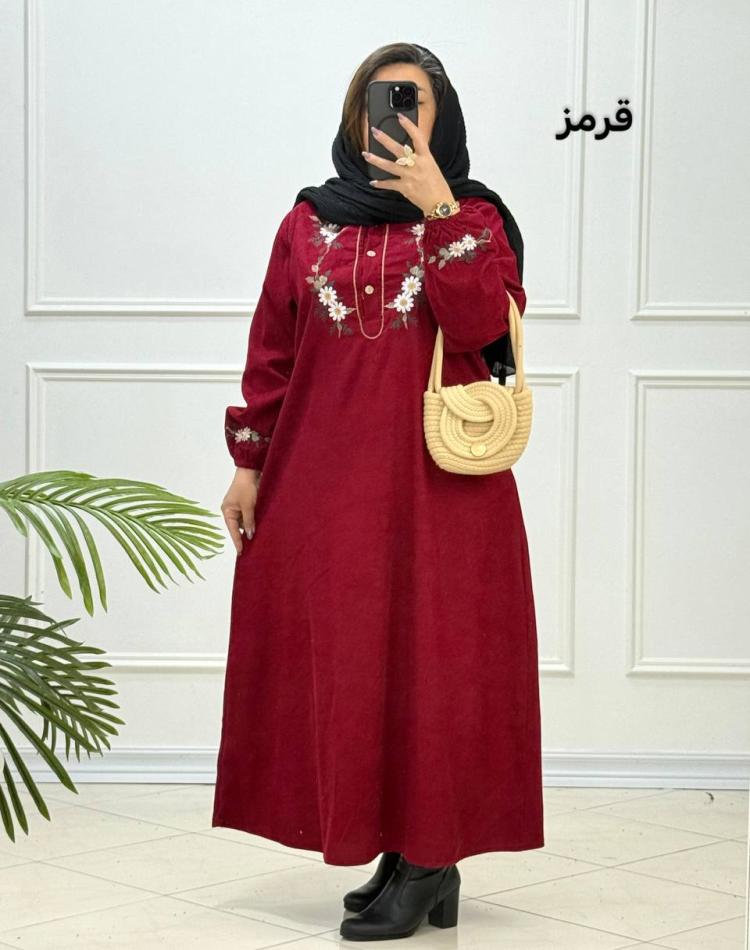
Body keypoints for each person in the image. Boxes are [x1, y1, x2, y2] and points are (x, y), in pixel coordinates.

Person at [212, 41, 544, 942]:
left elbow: (484, 331)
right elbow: (274, 348)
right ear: (354, 116)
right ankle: (409, 854)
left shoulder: (476, 217)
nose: (393, 118)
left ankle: (432, 856)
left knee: (434, 662)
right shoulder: (308, 221)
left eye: (413, 103)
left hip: (441, 491)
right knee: (357, 658)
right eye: (378, 101)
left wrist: (439, 208)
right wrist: (248, 463)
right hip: (325, 480)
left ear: (445, 119)